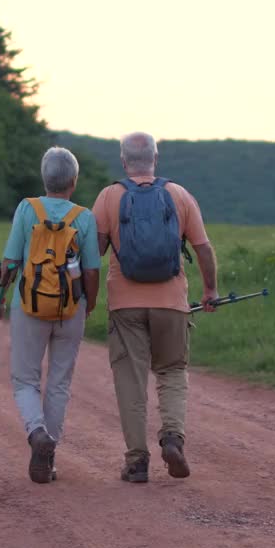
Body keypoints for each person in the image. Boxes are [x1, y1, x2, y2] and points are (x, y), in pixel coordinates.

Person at [92, 132, 218, 483]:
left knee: (131, 382)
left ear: (123, 160)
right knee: (173, 371)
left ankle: (136, 462)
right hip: (172, 303)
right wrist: (210, 290)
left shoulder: (108, 196)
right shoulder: (179, 195)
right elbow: (204, 249)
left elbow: (94, 251)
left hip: (125, 305)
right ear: (155, 158)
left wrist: (85, 297)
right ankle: (173, 437)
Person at [0, 147, 101, 483]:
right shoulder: (84, 217)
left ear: (45, 179)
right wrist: (89, 303)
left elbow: (11, 262)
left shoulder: (27, 209)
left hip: (28, 306)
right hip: (71, 307)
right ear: (74, 181)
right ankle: (49, 457)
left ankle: (36, 432)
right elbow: (92, 270)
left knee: (25, 380)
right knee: (59, 383)